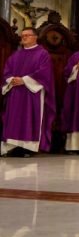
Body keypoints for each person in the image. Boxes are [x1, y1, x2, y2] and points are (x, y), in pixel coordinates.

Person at [1, 27, 55, 157]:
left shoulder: (42, 54)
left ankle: (28, 148)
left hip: (32, 93)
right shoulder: (16, 55)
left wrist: (24, 80)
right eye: (22, 35)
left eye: (27, 35)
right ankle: (13, 146)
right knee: (14, 119)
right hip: (15, 93)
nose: (24, 37)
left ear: (35, 37)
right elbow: (6, 71)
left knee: (29, 118)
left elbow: (44, 73)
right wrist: (12, 79)